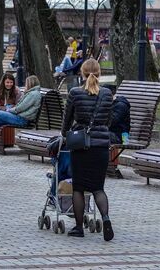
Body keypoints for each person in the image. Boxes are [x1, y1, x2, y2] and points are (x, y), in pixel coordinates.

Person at [61, 58, 114, 240]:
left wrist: (65, 134)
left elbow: (67, 120)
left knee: (78, 188)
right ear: (100, 73)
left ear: (81, 73)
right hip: (101, 147)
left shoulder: (75, 92)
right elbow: (109, 120)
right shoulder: (107, 93)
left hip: (81, 146)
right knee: (98, 188)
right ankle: (105, 218)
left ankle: (78, 227)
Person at [0, 75, 42, 155]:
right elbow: (19, 107)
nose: (25, 85)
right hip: (19, 117)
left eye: (26, 83)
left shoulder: (33, 94)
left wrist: (9, 110)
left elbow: (20, 108)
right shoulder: (31, 93)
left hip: (23, 119)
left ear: (31, 83)